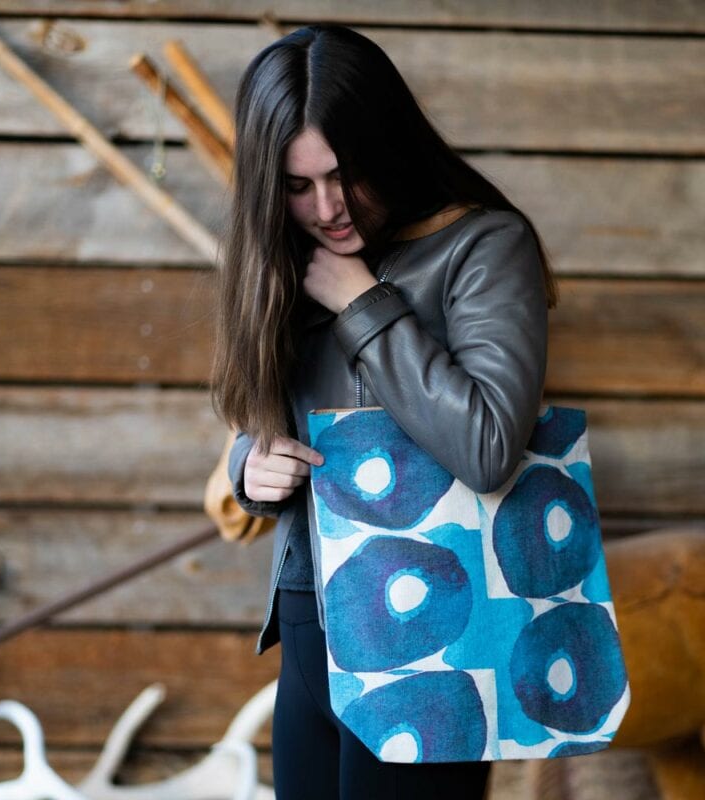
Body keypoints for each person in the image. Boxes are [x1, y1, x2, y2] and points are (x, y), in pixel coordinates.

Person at [210, 22, 558, 800]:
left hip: (430, 632)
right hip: (308, 617)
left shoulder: (484, 246)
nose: (328, 207)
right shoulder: (284, 255)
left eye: (345, 174)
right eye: (298, 187)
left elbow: (490, 445)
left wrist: (363, 303)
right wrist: (248, 465)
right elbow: (257, 414)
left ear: (388, 143)